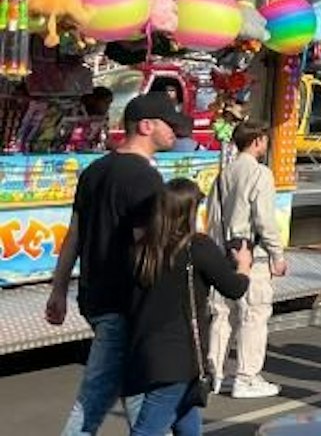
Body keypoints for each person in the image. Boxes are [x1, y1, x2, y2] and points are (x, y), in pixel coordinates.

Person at [49, 91, 187, 436]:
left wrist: (59, 290)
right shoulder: (145, 180)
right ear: (145, 126)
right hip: (126, 304)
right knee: (93, 403)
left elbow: (74, 236)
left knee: (139, 394)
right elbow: (150, 244)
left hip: (95, 300)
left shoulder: (94, 171)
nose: (176, 133)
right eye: (169, 125)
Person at [125, 177, 253, 436]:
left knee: (187, 421)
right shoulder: (197, 247)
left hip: (145, 352)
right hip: (179, 358)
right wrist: (243, 265)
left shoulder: (143, 249)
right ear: (190, 212)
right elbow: (234, 287)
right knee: (146, 430)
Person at [206, 121, 289, 400]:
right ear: (256, 141)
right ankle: (247, 377)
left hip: (222, 251)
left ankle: (214, 372)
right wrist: (277, 254)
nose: (266, 145)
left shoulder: (223, 174)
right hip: (250, 254)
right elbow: (264, 220)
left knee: (222, 314)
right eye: (264, 140)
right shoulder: (260, 174)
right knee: (254, 314)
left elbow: (213, 217)